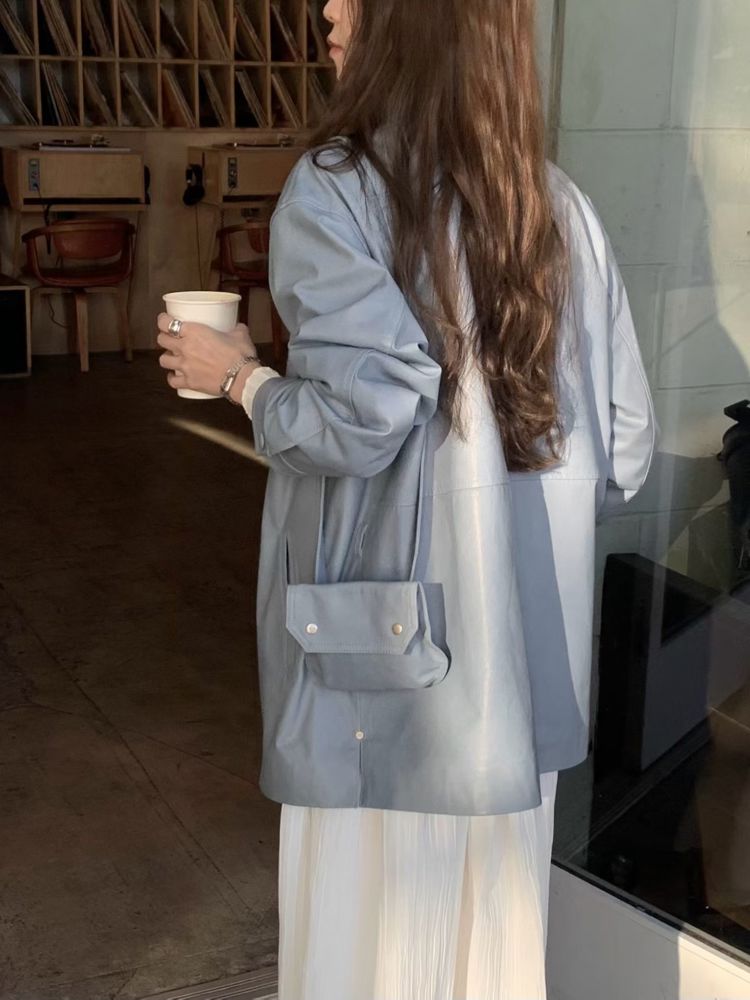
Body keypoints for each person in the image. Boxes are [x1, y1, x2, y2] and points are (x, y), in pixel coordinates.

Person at [157, 0, 656, 996]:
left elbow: (361, 417)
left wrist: (240, 377)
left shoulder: (340, 187)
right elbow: (627, 449)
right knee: (487, 960)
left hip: (383, 674)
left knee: (362, 952)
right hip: (516, 689)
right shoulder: (555, 204)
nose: (327, 11)